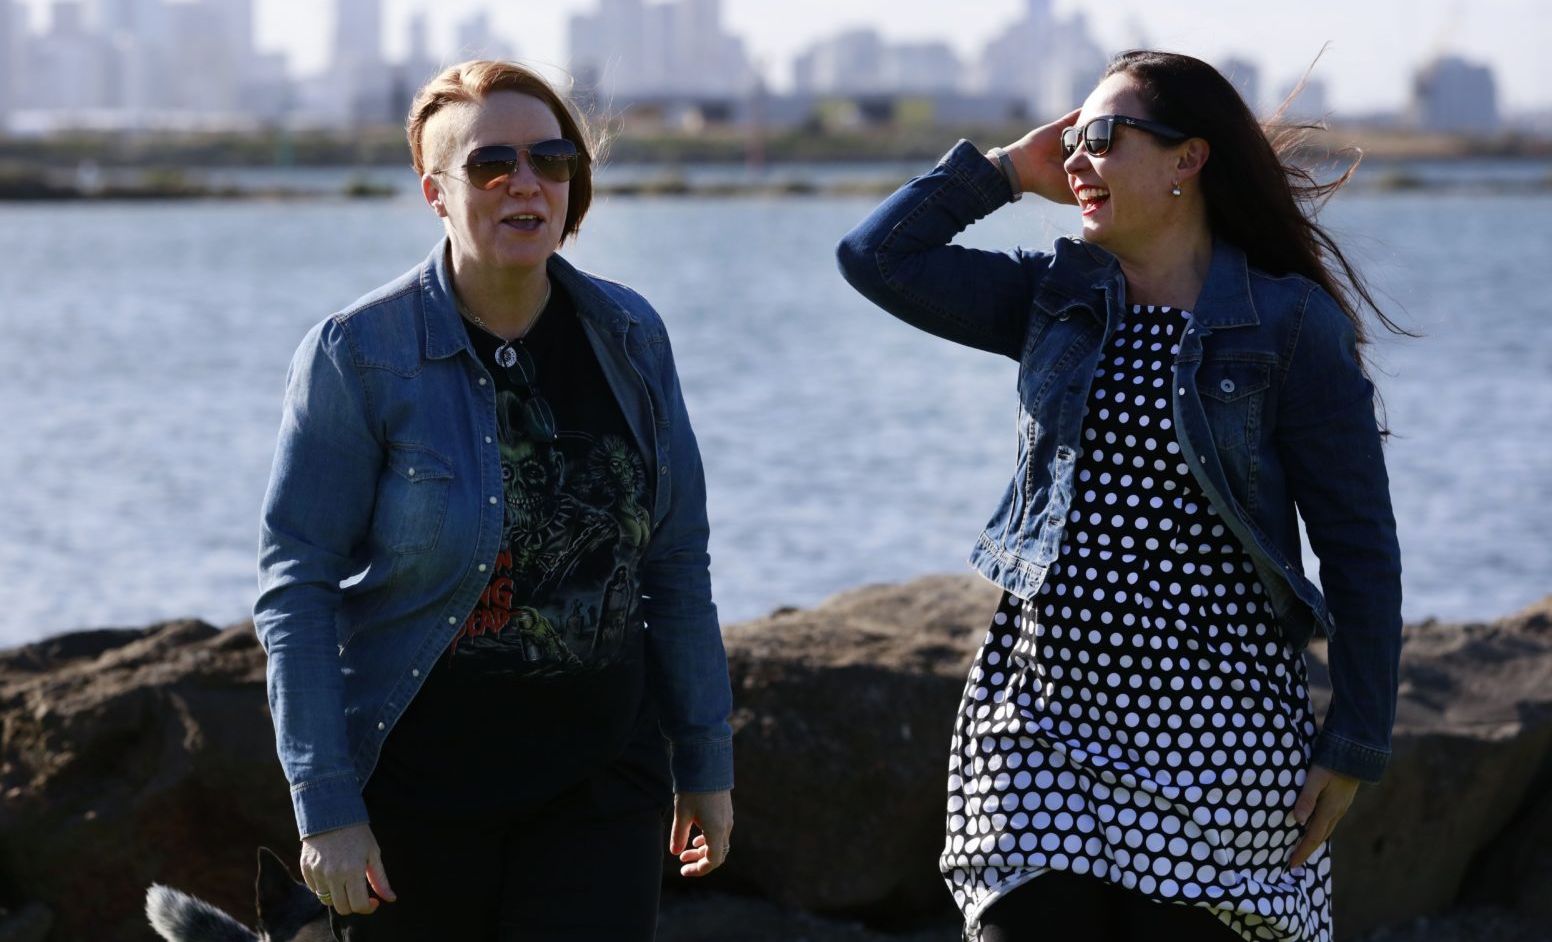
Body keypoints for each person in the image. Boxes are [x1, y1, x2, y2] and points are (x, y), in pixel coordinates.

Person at [836, 51, 1402, 941]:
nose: (1077, 159)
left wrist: (1356, 734)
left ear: (1189, 159)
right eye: (1071, 140)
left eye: (1101, 137)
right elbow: (876, 257)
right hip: (1037, 738)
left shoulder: (1289, 326)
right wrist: (1009, 169)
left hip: (1218, 753)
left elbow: (1360, 546)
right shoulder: (1051, 298)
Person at [253, 59, 735, 940]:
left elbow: (675, 562)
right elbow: (298, 588)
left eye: (551, 160)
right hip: (415, 793)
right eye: (489, 165)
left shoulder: (631, 336)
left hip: (600, 782)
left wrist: (705, 762)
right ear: (436, 192)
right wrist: (324, 807)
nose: (526, 182)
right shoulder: (359, 355)